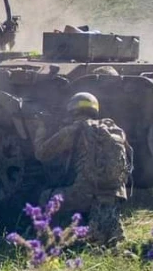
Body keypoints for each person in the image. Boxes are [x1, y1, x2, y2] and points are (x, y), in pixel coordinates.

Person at [34, 92, 132, 245]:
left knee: (46, 197)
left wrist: (41, 128)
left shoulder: (74, 130)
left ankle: (49, 241)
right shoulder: (114, 130)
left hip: (86, 194)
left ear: (72, 111)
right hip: (115, 195)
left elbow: (42, 153)